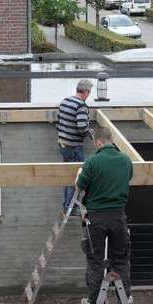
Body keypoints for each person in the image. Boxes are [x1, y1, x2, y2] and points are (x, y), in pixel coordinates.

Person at [75, 127, 133, 304]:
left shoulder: (93, 162)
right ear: (111, 140)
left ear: (98, 142)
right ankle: (125, 299)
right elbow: (127, 178)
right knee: (121, 258)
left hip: (97, 218)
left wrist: (79, 174)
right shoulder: (125, 160)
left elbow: (80, 185)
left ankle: (93, 300)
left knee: (95, 259)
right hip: (118, 216)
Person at [57, 79, 94, 216]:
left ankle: (66, 206)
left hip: (63, 144)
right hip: (74, 146)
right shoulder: (81, 106)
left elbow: (59, 120)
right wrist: (90, 133)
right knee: (76, 177)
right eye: (89, 92)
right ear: (85, 92)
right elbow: (82, 127)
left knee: (68, 176)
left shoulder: (66, 101)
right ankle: (69, 208)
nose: (88, 95)